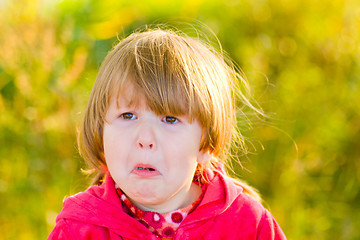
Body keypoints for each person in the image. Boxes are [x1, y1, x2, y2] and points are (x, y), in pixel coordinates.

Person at [48, 27, 286, 239]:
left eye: (170, 119)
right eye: (128, 116)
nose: (145, 139)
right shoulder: (78, 229)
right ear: (100, 132)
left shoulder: (247, 225)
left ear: (205, 145)